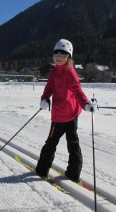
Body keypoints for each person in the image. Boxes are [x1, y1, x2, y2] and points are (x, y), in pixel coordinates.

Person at [36, 39, 95, 182]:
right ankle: (42, 170)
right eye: (56, 54)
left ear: (69, 56)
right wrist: (44, 98)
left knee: (71, 144)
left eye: (63, 54)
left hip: (70, 115)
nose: (59, 57)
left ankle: (72, 174)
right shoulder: (54, 71)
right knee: (51, 143)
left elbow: (77, 90)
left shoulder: (70, 72)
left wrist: (85, 103)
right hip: (58, 115)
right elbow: (49, 87)